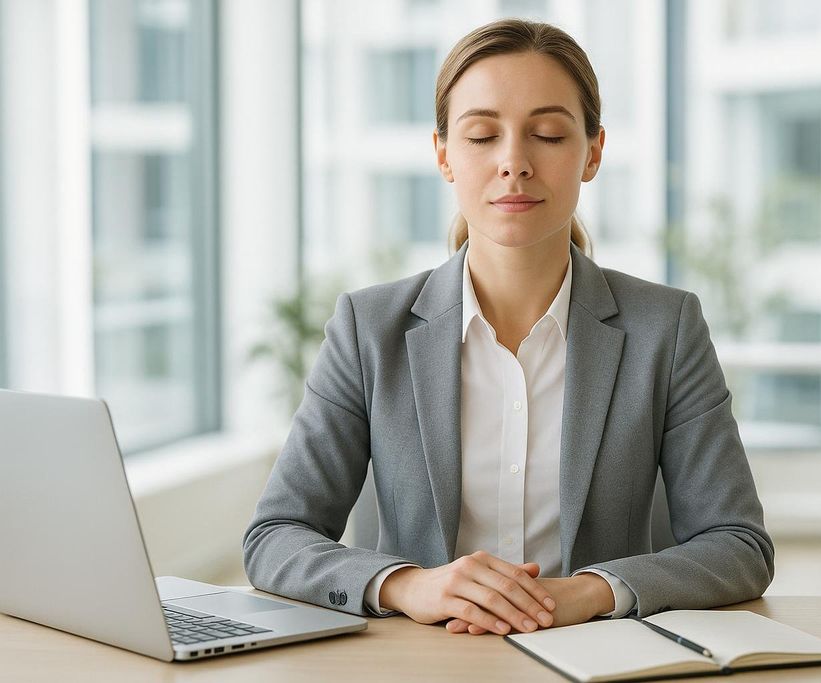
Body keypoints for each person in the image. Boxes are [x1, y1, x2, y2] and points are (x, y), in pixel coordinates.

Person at [243, 18, 773, 638]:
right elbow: (275, 538)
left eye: (547, 133)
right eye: (482, 136)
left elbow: (739, 546)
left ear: (593, 152)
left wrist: (589, 593)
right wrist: (411, 584)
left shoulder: (667, 328)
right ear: (443, 154)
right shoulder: (368, 327)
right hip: (421, 663)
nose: (514, 162)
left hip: (597, 661)